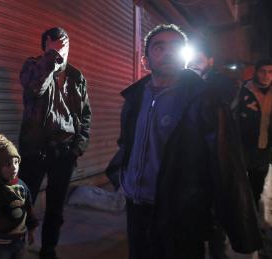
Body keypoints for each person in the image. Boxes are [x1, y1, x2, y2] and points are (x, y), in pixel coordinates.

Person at [106, 24, 262, 259]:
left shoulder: (205, 99)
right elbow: (126, 143)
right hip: (136, 208)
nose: (168, 52)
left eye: (175, 47)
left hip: (181, 214)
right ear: (146, 59)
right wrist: (121, 177)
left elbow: (226, 163)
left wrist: (239, 228)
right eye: (159, 47)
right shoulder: (135, 97)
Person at [18, 27, 91, 259]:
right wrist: (50, 60)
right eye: (55, 45)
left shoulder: (77, 77)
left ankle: (48, 249)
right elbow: (35, 90)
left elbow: (86, 114)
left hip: (65, 150)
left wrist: (78, 147)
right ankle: (19, 243)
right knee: (23, 200)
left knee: (56, 207)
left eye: (65, 45)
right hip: (35, 148)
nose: (62, 49)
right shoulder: (32, 67)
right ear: (45, 47)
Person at [188, 39, 240, 259]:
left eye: (198, 60)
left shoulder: (221, 83)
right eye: (190, 60)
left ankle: (218, 250)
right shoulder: (183, 83)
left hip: (215, 159)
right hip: (189, 161)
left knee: (215, 211)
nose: (193, 64)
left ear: (210, 61)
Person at [0, 133, 39, 259]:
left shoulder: (22, 186)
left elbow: (29, 208)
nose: (14, 167)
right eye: (8, 164)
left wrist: (31, 229)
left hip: (20, 241)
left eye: (16, 162)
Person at [236, 59, 272, 208]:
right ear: (256, 71)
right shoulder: (242, 91)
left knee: (257, 185)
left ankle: (252, 216)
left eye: (270, 72)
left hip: (264, 149)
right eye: (262, 71)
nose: (266, 75)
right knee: (238, 185)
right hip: (243, 149)